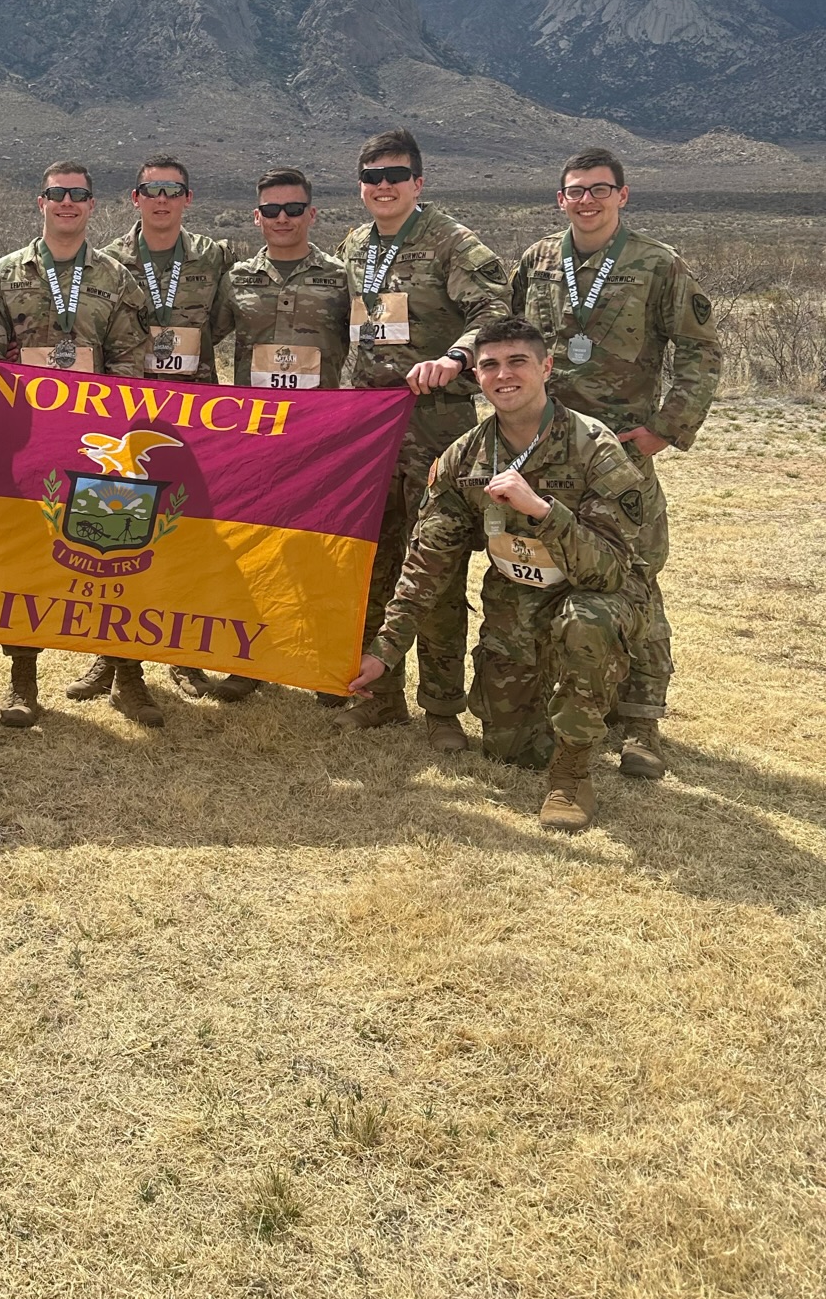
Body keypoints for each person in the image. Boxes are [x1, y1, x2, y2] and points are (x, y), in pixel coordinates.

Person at [350, 316, 649, 832]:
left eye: (518, 362)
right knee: (510, 749)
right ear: (478, 377)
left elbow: (610, 569)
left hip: (596, 592)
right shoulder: (464, 457)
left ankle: (573, 773)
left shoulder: (594, 449)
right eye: (490, 365)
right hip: (517, 596)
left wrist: (541, 511)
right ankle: (575, 702)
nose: (503, 376)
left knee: (587, 624)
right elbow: (427, 564)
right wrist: (385, 651)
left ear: (547, 368)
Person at [511, 148, 720, 779]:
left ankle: (641, 722)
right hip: (546, 452)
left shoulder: (657, 265)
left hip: (618, 452)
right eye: (575, 190)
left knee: (631, 579)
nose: (587, 200)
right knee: (549, 571)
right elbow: (515, 342)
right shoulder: (538, 261)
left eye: (600, 190)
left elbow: (700, 352)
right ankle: (571, 704)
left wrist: (663, 430)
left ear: (622, 197)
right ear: (560, 198)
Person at [336, 128, 511, 750]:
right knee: (372, 563)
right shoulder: (356, 244)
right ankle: (378, 695)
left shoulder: (452, 242)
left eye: (395, 175)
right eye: (372, 177)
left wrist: (457, 359)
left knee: (434, 569)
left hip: (435, 430)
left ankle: (441, 709)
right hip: (369, 434)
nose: (383, 186)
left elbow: (495, 311)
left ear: (419, 181)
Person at [0, 160, 152, 728]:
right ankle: (23, 680)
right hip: (28, 443)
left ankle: (127, 675)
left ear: (93, 205)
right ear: (41, 201)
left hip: (103, 443)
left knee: (116, 555)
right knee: (25, 558)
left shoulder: (118, 278)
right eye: (56, 194)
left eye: (77, 195)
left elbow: (131, 362)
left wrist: (106, 423)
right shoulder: (3, 275)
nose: (66, 204)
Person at [171, 166, 350, 705]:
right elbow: (202, 342)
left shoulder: (341, 278)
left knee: (318, 552)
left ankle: (322, 661)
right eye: (271, 210)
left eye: (293, 209)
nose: (282, 219)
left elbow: (374, 346)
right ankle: (252, 660)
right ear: (257, 217)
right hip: (256, 438)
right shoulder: (238, 277)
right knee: (257, 552)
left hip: (319, 436)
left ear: (312, 214)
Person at [66, 155, 235, 713]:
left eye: (173, 190)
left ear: (188, 197)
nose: (161, 199)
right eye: (150, 189)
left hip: (195, 422)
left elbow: (234, 323)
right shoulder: (108, 261)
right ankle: (115, 662)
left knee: (185, 538)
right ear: (133, 198)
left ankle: (183, 653)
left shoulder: (215, 257)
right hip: (126, 420)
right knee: (119, 537)